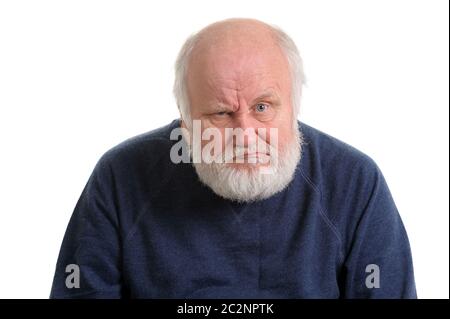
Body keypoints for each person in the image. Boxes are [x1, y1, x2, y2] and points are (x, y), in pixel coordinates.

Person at [50, 18, 416, 298]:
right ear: (185, 120)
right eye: (220, 114)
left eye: (262, 107)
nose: (246, 134)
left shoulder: (355, 183)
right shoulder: (119, 178)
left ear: (294, 108)